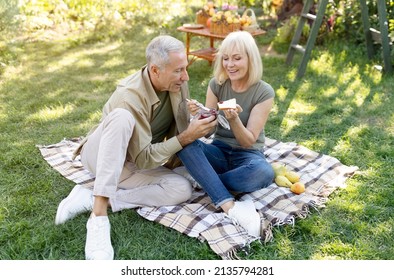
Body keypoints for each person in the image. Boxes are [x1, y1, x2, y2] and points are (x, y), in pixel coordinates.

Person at [54, 35, 218, 260]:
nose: (186, 76)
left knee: (181, 188)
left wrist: (202, 125)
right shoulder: (129, 97)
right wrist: (187, 136)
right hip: (101, 156)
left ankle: (95, 196)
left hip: (132, 164)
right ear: (155, 70)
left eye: (185, 69)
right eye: (179, 70)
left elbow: (178, 133)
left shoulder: (177, 83)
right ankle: (98, 217)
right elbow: (147, 157)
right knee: (121, 117)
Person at [177, 30, 275, 238]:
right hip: (219, 151)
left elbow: (248, 141)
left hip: (248, 156)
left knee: (264, 173)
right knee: (185, 143)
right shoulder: (217, 85)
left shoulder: (264, 92)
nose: (230, 65)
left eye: (237, 58)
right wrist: (200, 116)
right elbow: (209, 129)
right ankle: (232, 206)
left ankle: (205, 179)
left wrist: (234, 119)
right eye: (226, 59)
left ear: (251, 59)